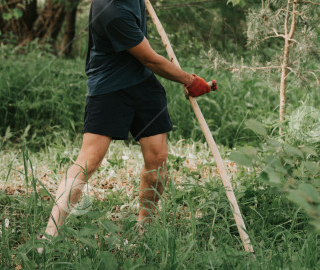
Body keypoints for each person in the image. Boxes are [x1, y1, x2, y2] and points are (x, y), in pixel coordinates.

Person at [40, 0, 215, 242]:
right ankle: (50, 234)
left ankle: (145, 224)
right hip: (109, 88)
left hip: (143, 86)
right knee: (89, 161)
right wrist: (190, 80)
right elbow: (151, 60)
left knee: (158, 161)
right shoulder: (111, 11)